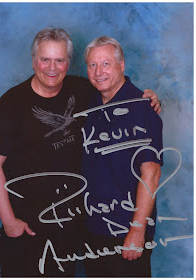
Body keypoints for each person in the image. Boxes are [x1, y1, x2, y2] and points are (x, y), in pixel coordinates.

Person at [0, 27, 161, 277]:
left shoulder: (82, 91)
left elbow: (149, 168)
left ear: (68, 63)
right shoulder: (10, 105)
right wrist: (10, 222)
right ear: (34, 61)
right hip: (28, 229)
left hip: (74, 230)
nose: (52, 68)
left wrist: (148, 100)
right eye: (45, 59)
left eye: (60, 60)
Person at [81, 36, 163, 277]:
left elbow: (152, 173)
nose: (98, 72)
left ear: (122, 65)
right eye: (92, 65)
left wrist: (137, 230)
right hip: (93, 228)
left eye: (105, 64)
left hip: (126, 232)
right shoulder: (93, 103)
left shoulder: (142, 108)